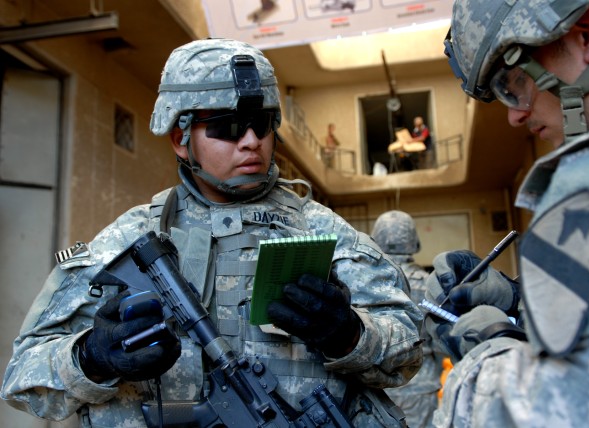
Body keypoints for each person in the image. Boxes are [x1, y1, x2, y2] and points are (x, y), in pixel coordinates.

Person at [0, 38, 424, 427]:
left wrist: (350, 334)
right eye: (227, 127)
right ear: (180, 139)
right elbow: (23, 378)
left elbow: (407, 352)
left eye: (262, 123)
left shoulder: (322, 231)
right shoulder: (129, 239)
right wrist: (92, 357)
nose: (251, 141)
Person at [424, 0, 589, 426]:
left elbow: (584, 409)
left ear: (587, 34)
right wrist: (517, 301)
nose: (514, 114)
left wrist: (488, 351)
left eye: (514, 83)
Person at [371, 211, 441, 428]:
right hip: (422, 386)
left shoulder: (366, 282)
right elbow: (442, 342)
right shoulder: (431, 285)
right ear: (414, 242)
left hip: (377, 387)